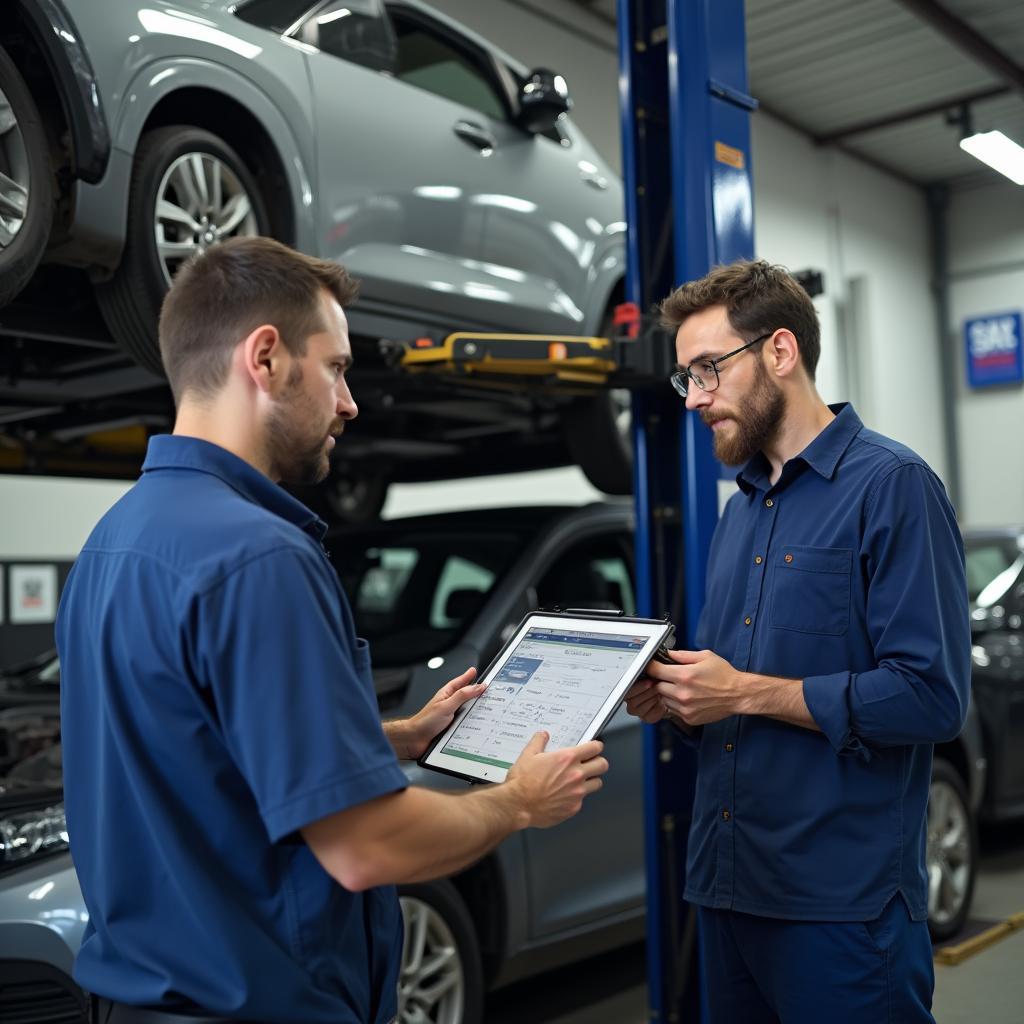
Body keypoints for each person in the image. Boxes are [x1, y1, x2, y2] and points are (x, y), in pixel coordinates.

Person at [56, 236, 608, 1024]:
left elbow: (199, 750)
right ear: (268, 358)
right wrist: (519, 803)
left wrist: (395, 737)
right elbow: (367, 848)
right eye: (338, 367)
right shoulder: (258, 555)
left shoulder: (112, 545)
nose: (351, 403)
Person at [624, 259, 970, 1023]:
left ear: (780, 352)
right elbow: (733, 687)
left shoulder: (893, 487)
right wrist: (680, 699)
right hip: (726, 890)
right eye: (686, 380)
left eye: (708, 369)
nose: (697, 398)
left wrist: (743, 691)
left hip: (842, 909)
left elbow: (932, 696)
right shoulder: (739, 510)